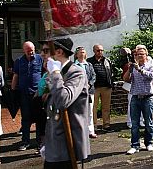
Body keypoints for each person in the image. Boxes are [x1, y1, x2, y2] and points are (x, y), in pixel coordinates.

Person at [43, 37, 90, 168]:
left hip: (67, 144)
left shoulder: (76, 72)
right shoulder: (53, 72)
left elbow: (63, 101)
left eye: (46, 51)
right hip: (54, 143)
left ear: (58, 52)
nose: (42, 54)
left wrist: (55, 74)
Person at [123, 45, 153, 155]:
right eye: (138, 54)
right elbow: (126, 79)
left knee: (148, 123)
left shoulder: (150, 65)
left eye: (142, 54)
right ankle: (135, 145)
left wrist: (140, 70)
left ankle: (149, 143)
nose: (140, 56)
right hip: (135, 98)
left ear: (146, 55)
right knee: (134, 124)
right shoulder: (133, 66)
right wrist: (129, 70)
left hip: (147, 98)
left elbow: (151, 76)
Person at [12, 41, 43, 151]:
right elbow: (16, 76)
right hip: (24, 94)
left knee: (39, 119)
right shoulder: (19, 61)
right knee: (26, 119)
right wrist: (13, 90)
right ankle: (25, 141)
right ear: (24, 50)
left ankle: (40, 142)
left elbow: (45, 74)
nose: (31, 52)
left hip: (37, 94)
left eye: (32, 50)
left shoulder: (40, 59)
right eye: (28, 50)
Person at [87, 44, 115, 131]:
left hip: (106, 87)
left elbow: (111, 72)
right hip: (94, 87)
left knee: (106, 107)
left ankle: (106, 125)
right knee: (93, 108)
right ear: (94, 51)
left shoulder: (107, 60)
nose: (100, 52)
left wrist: (111, 83)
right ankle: (94, 125)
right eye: (98, 50)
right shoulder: (89, 61)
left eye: (102, 50)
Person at [74, 46, 97, 138]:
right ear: (76, 54)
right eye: (80, 52)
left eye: (83, 52)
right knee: (79, 111)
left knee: (90, 111)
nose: (82, 54)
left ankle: (90, 131)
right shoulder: (74, 65)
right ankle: (80, 130)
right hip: (78, 92)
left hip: (89, 91)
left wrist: (89, 84)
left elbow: (93, 76)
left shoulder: (89, 65)